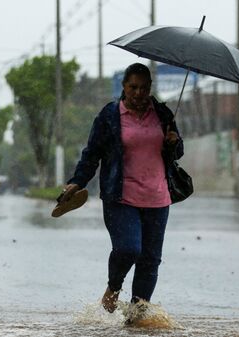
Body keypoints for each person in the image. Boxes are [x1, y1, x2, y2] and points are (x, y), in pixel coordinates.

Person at [60, 63, 183, 316]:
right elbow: (92, 153)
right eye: (133, 87)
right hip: (120, 197)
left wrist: (174, 142)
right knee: (128, 248)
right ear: (124, 87)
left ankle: (136, 318)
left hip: (158, 198)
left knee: (150, 261)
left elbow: (176, 153)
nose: (138, 93)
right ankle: (113, 287)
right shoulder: (110, 115)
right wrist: (78, 181)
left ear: (150, 88)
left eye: (144, 88)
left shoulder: (163, 114)